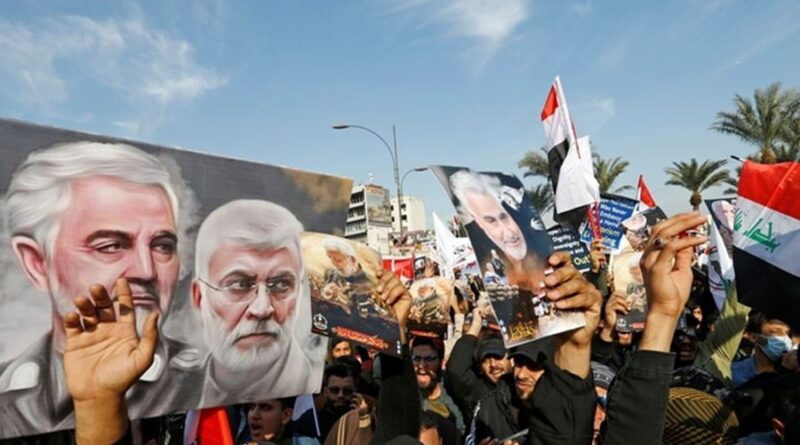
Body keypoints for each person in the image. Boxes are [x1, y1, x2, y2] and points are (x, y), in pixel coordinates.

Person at [0, 141, 200, 437]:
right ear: (37, 262)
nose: (146, 270)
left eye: (162, 245)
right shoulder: (9, 386)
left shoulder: (210, 381)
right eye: (110, 246)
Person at [191, 199, 325, 408]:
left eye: (281, 284)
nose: (262, 309)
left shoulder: (321, 393)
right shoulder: (174, 394)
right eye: (240, 285)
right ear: (199, 297)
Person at [411, 336, 465, 435]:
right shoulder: (405, 395)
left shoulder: (453, 394)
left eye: (429, 359)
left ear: (441, 363)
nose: (421, 365)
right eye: (416, 358)